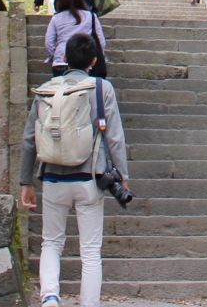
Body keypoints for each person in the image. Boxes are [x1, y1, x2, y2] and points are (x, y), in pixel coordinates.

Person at [20, 32, 127, 307]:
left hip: (52, 178)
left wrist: (26, 182)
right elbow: (114, 137)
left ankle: (50, 299)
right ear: (93, 61)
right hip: (89, 178)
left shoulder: (47, 88)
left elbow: (30, 139)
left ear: (64, 58)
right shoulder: (102, 89)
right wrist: (123, 176)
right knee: (90, 251)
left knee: (51, 243)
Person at [44, 0, 106, 76]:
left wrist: (56, 55)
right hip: (85, 62)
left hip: (61, 61)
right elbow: (101, 42)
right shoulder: (91, 16)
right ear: (80, 0)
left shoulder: (56, 18)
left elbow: (49, 42)